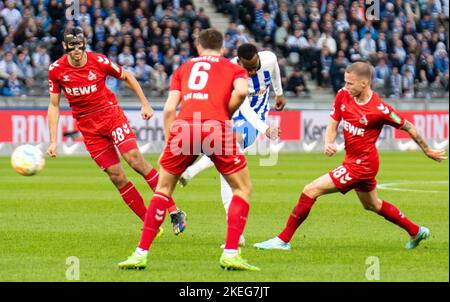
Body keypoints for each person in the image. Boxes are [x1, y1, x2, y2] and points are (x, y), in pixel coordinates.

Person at [254, 62, 447, 251]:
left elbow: (409, 126)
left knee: (310, 190)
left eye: (350, 83)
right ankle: (416, 231)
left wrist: (427, 150)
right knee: (372, 204)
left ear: (364, 83)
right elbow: (333, 123)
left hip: (362, 165)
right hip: (353, 161)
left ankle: (283, 240)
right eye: (345, 82)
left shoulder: (380, 110)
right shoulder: (342, 95)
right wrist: (329, 142)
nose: (345, 86)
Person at [118, 29, 259, 271]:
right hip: (216, 126)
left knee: (163, 189)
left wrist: (169, 141)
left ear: (198, 47)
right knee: (242, 188)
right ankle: (231, 253)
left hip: (184, 127)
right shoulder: (232, 67)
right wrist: (226, 112)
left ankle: (140, 253)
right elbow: (243, 91)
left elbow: (170, 108)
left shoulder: (184, 68)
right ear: (223, 48)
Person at [46, 27, 186, 237]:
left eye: (79, 44)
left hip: (111, 116)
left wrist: (145, 104)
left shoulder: (99, 61)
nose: (76, 50)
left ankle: (174, 211)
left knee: (135, 161)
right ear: (65, 46)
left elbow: (127, 76)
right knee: (116, 176)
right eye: (71, 45)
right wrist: (53, 141)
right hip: (89, 128)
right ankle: (151, 223)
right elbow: (54, 106)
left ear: (85, 44)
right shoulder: (56, 70)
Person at [177, 43, 284, 247]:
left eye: (254, 66)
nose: (251, 71)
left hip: (258, 115)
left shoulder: (269, 58)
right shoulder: (231, 69)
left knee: (229, 147)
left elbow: (276, 71)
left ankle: (190, 172)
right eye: (247, 68)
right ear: (239, 62)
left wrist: (279, 93)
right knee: (226, 175)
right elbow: (242, 104)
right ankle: (237, 235)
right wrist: (265, 129)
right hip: (237, 114)